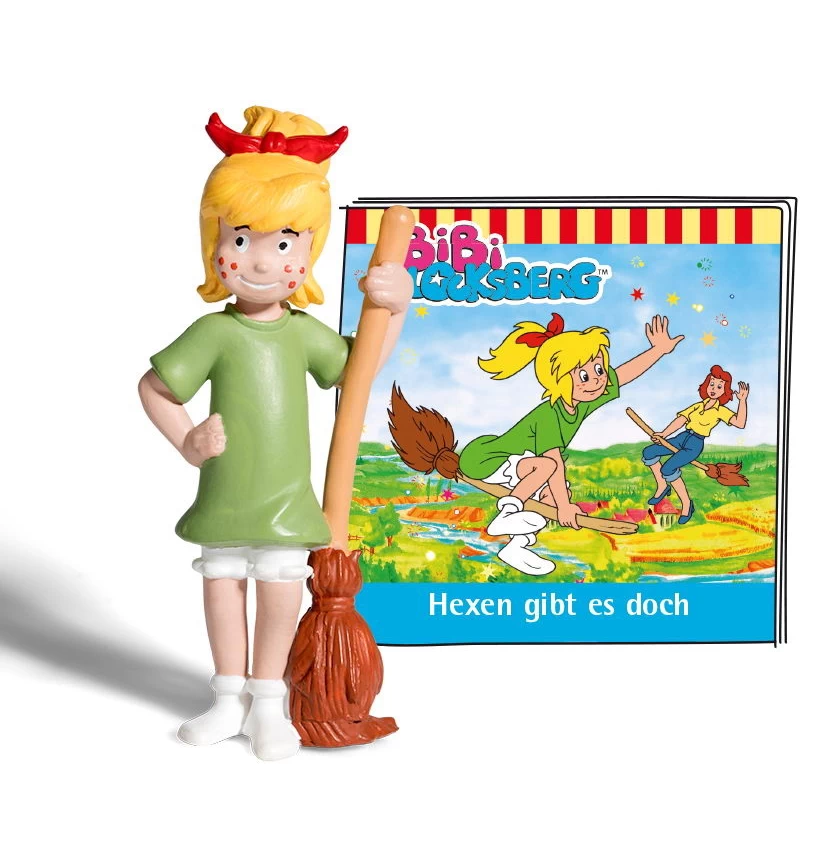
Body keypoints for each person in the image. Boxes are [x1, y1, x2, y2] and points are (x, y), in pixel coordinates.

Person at [138, 107, 412, 760]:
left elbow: (359, 370)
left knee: (282, 589)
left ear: (309, 252)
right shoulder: (213, 333)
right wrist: (188, 441)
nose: (259, 260)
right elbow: (155, 388)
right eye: (240, 238)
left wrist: (396, 305)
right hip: (226, 496)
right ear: (213, 243)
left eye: (284, 242)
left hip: (287, 504)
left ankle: (268, 701)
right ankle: (227, 698)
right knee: (222, 584)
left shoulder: (301, 335)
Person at [458, 313, 683, 575]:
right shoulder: (549, 415)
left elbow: (623, 374)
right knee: (547, 470)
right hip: (485, 459)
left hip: (517, 465)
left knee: (552, 495)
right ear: (558, 380)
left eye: (599, 369)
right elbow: (552, 461)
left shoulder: (583, 401)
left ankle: (516, 547)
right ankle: (507, 514)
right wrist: (565, 507)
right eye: (583, 375)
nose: (597, 380)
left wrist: (658, 351)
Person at [641, 365, 750, 524]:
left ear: (725, 391)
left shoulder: (720, 411)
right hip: (682, 437)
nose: (714, 389)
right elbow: (681, 420)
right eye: (712, 384)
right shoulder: (698, 406)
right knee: (649, 452)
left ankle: (687, 505)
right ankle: (662, 486)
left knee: (668, 468)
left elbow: (740, 423)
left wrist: (742, 401)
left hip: (695, 444)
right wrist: (663, 434)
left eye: (719, 387)